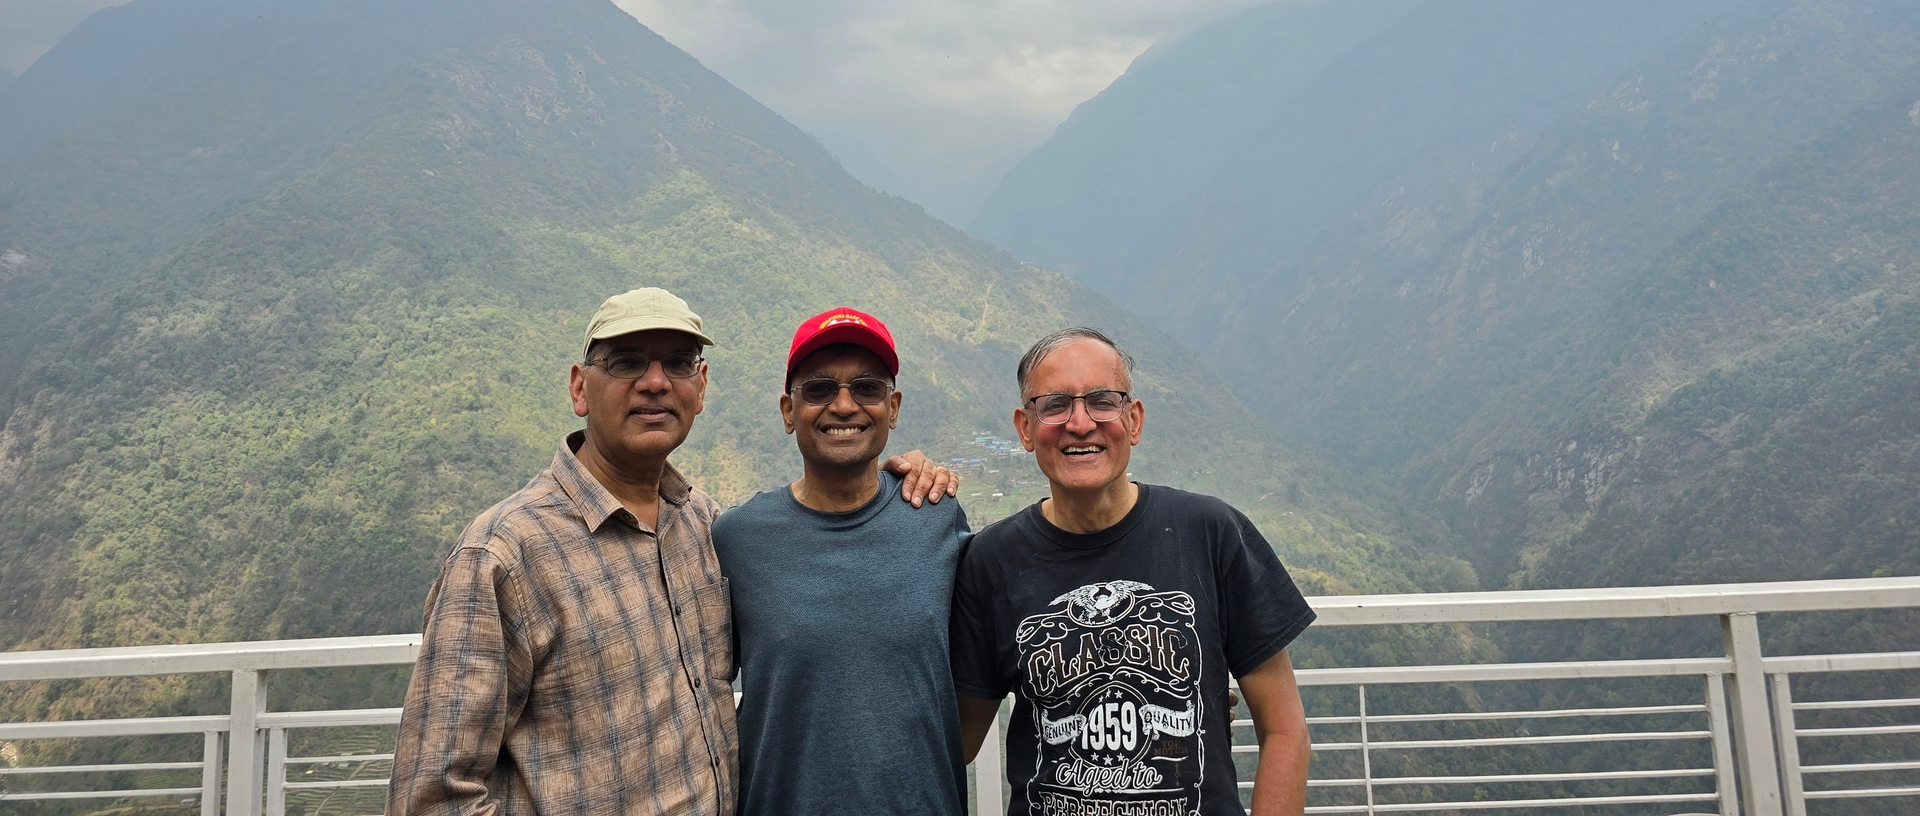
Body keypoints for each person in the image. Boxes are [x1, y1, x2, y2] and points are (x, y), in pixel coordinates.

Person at [387, 287, 954, 816]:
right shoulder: (505, 554)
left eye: (678, 363)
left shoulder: (707, 528)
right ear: (580, 388)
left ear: (699, 387)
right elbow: (433, 796)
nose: (655, 382)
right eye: (627, 362)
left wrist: (901, 482)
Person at [950, 326, 1316, 816]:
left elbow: (1285, 731)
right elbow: (956, 742)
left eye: (1102, 401)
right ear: (1025, 428)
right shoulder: (991, 561)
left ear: (1134, 420)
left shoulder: (1210, 533)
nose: (1080, 423)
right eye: (1054, 405)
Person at [712, 307, 973, 816]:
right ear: (789, 411)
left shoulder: (936, 515)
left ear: (893, 408)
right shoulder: (737, 539)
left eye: (867, 388)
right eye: (819, 389)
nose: (845, 405)